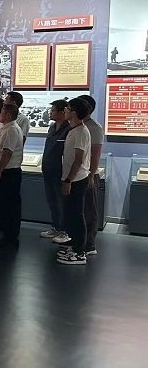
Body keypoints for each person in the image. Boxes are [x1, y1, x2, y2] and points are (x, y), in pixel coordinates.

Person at [56, 98, 92, 265]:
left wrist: (69, 180)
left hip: (77, 179)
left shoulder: (81, 132)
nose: (65, 111)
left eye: (68, 109)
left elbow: (78, 159)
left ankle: (80, 251)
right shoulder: (74, 130)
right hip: (71, 178)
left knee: (77, 214)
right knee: (71, 213)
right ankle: (74, 243)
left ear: (74, 113)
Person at [0, 104, 24, 249]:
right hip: (6, 171)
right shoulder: (6, 128)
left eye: (2, 112)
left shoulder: (11, 130)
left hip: (9, 172)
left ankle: (10, 237)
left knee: (10, 206)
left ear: (8, 115)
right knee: (4, 205)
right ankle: (7, 234)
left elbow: (7, 152)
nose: (0, 115)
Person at [40, 100, 71, 242]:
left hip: (60, 171)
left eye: (53, 110)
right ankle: (56, 227)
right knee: (52, 200)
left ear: (61, 112)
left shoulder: (69, 129)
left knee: (62, 201)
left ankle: (64, 230)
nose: (50, 113)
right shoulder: (52, 127)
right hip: (48, 170)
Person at [79, 94, 104, 256]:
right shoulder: (79, 126)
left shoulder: (94, 128)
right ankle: (79, 240)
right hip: (78, 174)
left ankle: (89, 244)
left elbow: (96, 155)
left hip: (88, 173)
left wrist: (91, 175)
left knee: (89, 209)